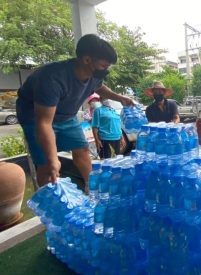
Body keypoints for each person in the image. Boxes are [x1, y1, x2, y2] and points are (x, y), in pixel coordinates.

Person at [17, 34, 134, 187]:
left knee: (82, 148)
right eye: (104, 66)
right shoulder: (52, 77)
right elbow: (44, 123)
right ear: (87, 60)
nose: (106, 70)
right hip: (36, 117)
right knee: (46, 162)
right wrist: (53, 159)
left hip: (67, 115)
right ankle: (47, 200)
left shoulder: (93, 73)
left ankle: (92, 186)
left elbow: (99, 87)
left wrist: (120, 98)